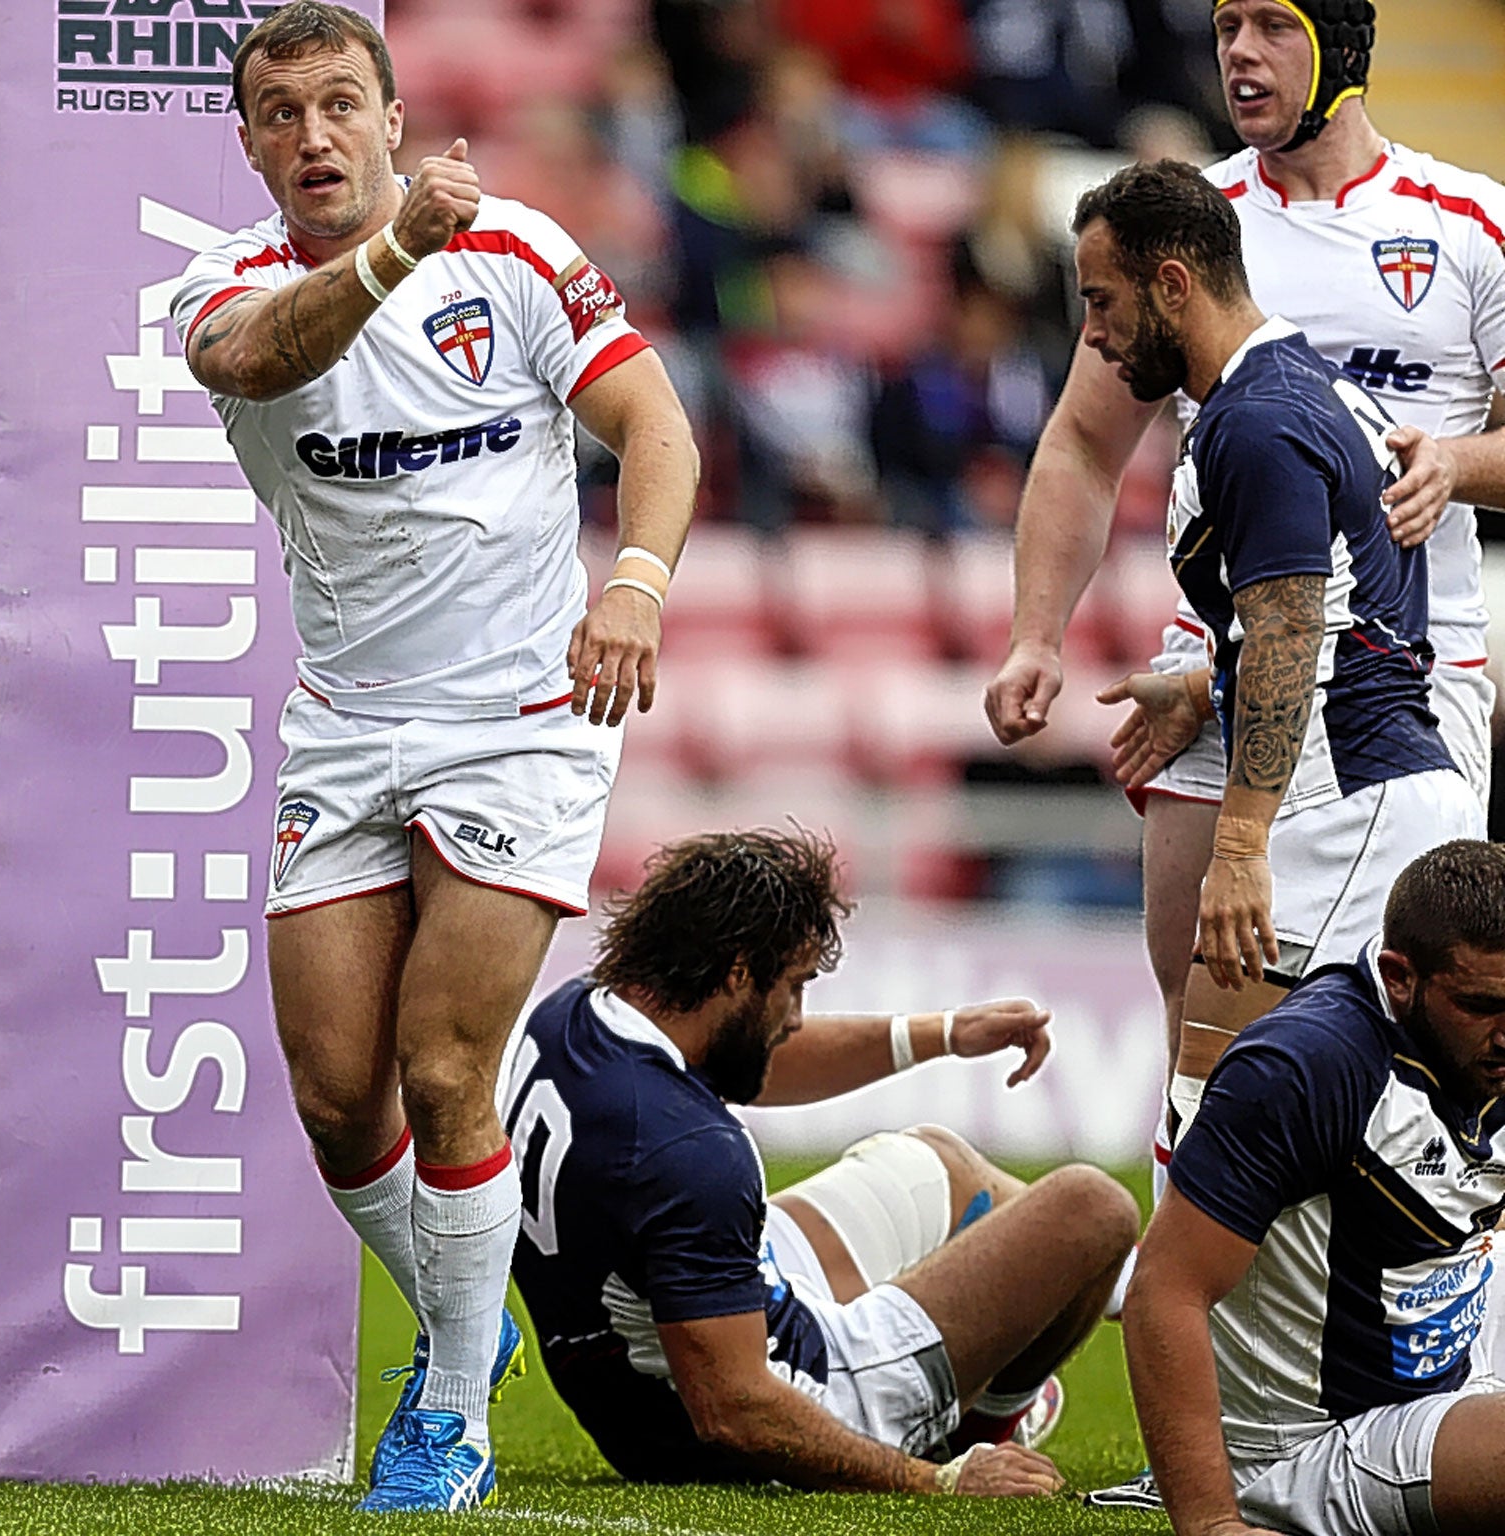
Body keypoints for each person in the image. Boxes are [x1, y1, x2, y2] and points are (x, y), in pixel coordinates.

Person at [171, 1, 699, 1512]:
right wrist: (397, 255)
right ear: (252, 140)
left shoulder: (521, 256)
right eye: (280, 113)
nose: (314, 135)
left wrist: (635, 585)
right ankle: (473, 1325)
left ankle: (452, 1409)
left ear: (394, 120)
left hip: (522, 723)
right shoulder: (222, 286)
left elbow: (658, 430)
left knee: (444, 1063)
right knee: (339, 1098)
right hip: (342, 725)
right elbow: (267, 363)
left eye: (342, 103)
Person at [984, 0, 1505, 1231]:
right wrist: (1033, 634)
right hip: (1215, 655)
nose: (1236, 54)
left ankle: (1399, 1294)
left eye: (1270, 26)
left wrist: (1457, 465)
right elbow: (1077, 438)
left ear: (1339, 47)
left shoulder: (1467, 223)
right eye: (1222, 26)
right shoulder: (1187, 224)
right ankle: (1206, 1288)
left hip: (1406, 667)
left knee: (1424, 1004)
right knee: (1201, 1002)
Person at [504, 826, 1137, 1497]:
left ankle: (1131, 1288)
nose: (797, 1017)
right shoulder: (690, 1157)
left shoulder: (578, 1013)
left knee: (936, 1160)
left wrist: (945, 1033)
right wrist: (934, 1481)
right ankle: (977, 1429)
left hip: (640, 1371)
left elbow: (746, 1065)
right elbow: (736, 1411)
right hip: (793, 1399)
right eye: (795, 986)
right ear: (738, 970)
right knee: (1092, 1208)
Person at [1125, 840, 1505, 1536]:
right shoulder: (1304, 1068)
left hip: (1453, 1344)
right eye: (1482, 1005)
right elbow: (1162, 1289)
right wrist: (1211, 1523)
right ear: (1398, 977)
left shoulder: (1479, 1045)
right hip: (1319, 1441)